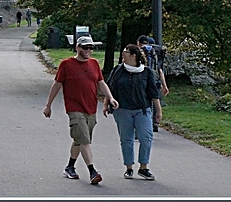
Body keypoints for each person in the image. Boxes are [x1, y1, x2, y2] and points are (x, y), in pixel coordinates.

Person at [44, 35, 118, 185]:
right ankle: (92, 171)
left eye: (90, 47)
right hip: (74, 108)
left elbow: (101, 82)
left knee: (80, 139)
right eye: (85, 47)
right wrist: (48, 105)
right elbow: (57, 85)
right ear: (77, 47)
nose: (88, 50)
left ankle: (70, 167)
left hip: (90, 107)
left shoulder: (94, 64)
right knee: (83, 138)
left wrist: (110, 97)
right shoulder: (66, 64)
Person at [105, 43, 162, 180]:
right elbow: (110, 88)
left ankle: (143, 167)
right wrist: (106, 104)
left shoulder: (146, 72)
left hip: (142, 110)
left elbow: (153, 93)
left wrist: (158, 111)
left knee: (146, 137)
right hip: (122, 110)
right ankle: (129, 167)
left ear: (133, 55)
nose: (122, 53)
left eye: (125, 51)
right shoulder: (118, 70)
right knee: (126, 139)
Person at [138, 35, 169, 132]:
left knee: (143, 104)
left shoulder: (140, 53)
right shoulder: (154, 54)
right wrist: (164, 85)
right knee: (154, 102)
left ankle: (142, 126)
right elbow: (160, 71)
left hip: (142, 82)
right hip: (155, 82)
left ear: (139, 43)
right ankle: (154, 123)